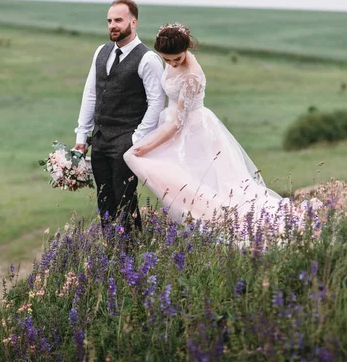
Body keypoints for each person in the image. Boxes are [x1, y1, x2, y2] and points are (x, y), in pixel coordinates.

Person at [123, 23, 289, 227]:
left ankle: (218, 221)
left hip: (191, 129)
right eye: (167, 60)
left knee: (204, 183)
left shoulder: (191, 76)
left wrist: (144, 146)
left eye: (177, 58)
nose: (173, 64)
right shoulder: (172, 56)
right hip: (172, 122)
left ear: (186, 50)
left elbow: (177, 124)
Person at [74, 0, 164, 236]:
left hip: (127, 140)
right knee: (104, 200)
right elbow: (90, 94)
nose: (113, 25)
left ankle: (133, 252)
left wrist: (137, 138)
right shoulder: (101, 52)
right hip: (101, 139)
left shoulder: (148, 59)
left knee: (125, 200)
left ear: (133, 22)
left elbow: (157, 103)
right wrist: (82, 136)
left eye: (118, 20)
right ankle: (112, 253)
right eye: (110, 21)